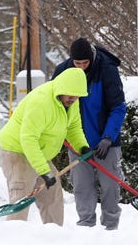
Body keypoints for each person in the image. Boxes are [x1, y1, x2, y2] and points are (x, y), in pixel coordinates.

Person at [0, 67, 90, 226]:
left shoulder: (71, 102)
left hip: (38, 152)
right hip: (17, 151)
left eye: (77, 95)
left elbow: (73, 128)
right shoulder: (41, 102)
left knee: (52, 195)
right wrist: (43, 170)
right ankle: (12, 239)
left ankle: (54, 236)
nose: (73, 98)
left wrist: (82, 146)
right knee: (21, 196)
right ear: (61, 88)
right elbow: (28, 138)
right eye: (70, 94)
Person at [52, 38, 126, 230]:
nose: (82, 67)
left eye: (86, 63)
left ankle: (111, 227)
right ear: (72, 60)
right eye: (78, 63)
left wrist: (108, 137)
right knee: (82, 186)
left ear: (92, 57)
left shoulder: (107, 70)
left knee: (110, 186)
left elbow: (118, 108)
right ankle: (85, 226)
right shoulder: (62, 72)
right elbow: (54, 105)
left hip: (105, 142)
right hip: (77, 142)